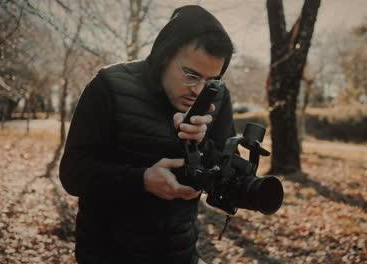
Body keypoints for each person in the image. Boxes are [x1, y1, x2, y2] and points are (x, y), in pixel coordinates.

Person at [59, 5, 235, 263]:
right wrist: (142, 180)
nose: (199, 90)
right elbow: (72, 174)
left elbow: (227, 176)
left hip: (180, 253)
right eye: (190, 75)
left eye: (211, 81)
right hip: (106, 253)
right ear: (164, 56)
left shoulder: (217, 96)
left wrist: (202, 144)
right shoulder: (108, 85)